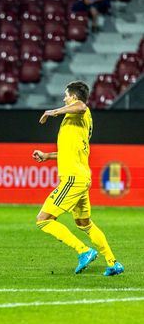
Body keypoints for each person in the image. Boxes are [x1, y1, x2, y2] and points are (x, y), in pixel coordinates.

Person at [33, 81, 124, 276]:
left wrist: (53, 112)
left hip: (73, 178)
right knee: (84, 223)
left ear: (73, 96)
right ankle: (112, 262)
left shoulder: (79, 111)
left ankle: (83, 251)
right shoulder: (74, 122)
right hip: (82, 177)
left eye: (66, 95)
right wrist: (47, 156)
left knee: (43, 220)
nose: (64, 98)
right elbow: (69, 151)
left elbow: (81, 106)